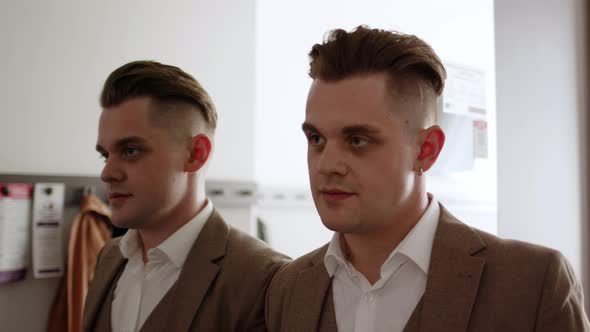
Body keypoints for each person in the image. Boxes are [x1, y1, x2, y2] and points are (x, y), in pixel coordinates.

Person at [265, 26, 590, 332]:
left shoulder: (532, 283)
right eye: (316, 139)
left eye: (357, 140)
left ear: (426, 150)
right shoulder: (288, 288)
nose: (328, 165)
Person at [82, 60, 288, 332]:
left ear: (195, 154)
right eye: (105, 155)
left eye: (131, 151)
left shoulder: (264, 278)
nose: (107, 173)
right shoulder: (109, 257)